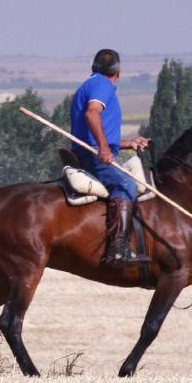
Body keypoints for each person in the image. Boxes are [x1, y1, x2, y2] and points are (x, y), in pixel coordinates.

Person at [70, 48, 151, 267]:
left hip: (93, 151)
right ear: (118, 72)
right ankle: (118, 249)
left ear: (93, 67)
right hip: (93, 156)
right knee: (126, 184)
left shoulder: (91, 83)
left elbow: (94, 129)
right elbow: (92, 113)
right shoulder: (102, 85)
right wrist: (104, 149)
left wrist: (128, 143)